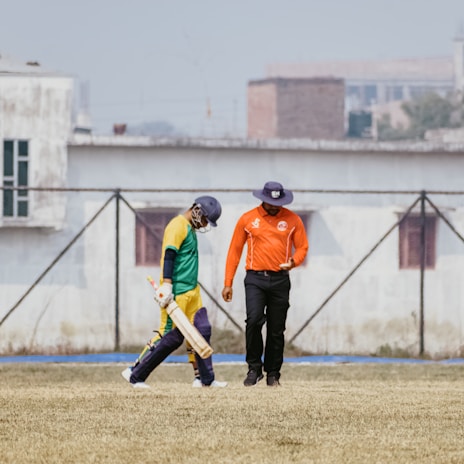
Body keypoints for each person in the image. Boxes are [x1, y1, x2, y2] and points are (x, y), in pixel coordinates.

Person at [122, 196, 227, 389]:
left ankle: (204, 379)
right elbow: (169, 255)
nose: (204, 224)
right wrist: (167, 284)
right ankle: (135, 373)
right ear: (196, 210)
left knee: (201, 330)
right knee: (169, 336)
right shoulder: (177, 225)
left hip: (192, 290)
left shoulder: (190, 229)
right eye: (204, 219)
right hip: (176, 291)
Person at [222, 181, 308, 387]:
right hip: (255, 279)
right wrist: (228, 282)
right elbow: (235, 250)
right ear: (262, 199)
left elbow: (303, 247)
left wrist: (293, 262)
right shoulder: (248, 219)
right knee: (253, 321)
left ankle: (273, 373)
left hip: (280, 279)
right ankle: (254, 368)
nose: (274, 206)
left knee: (276, 329)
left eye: (277, 203)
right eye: (270, 202)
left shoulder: (293, 220)